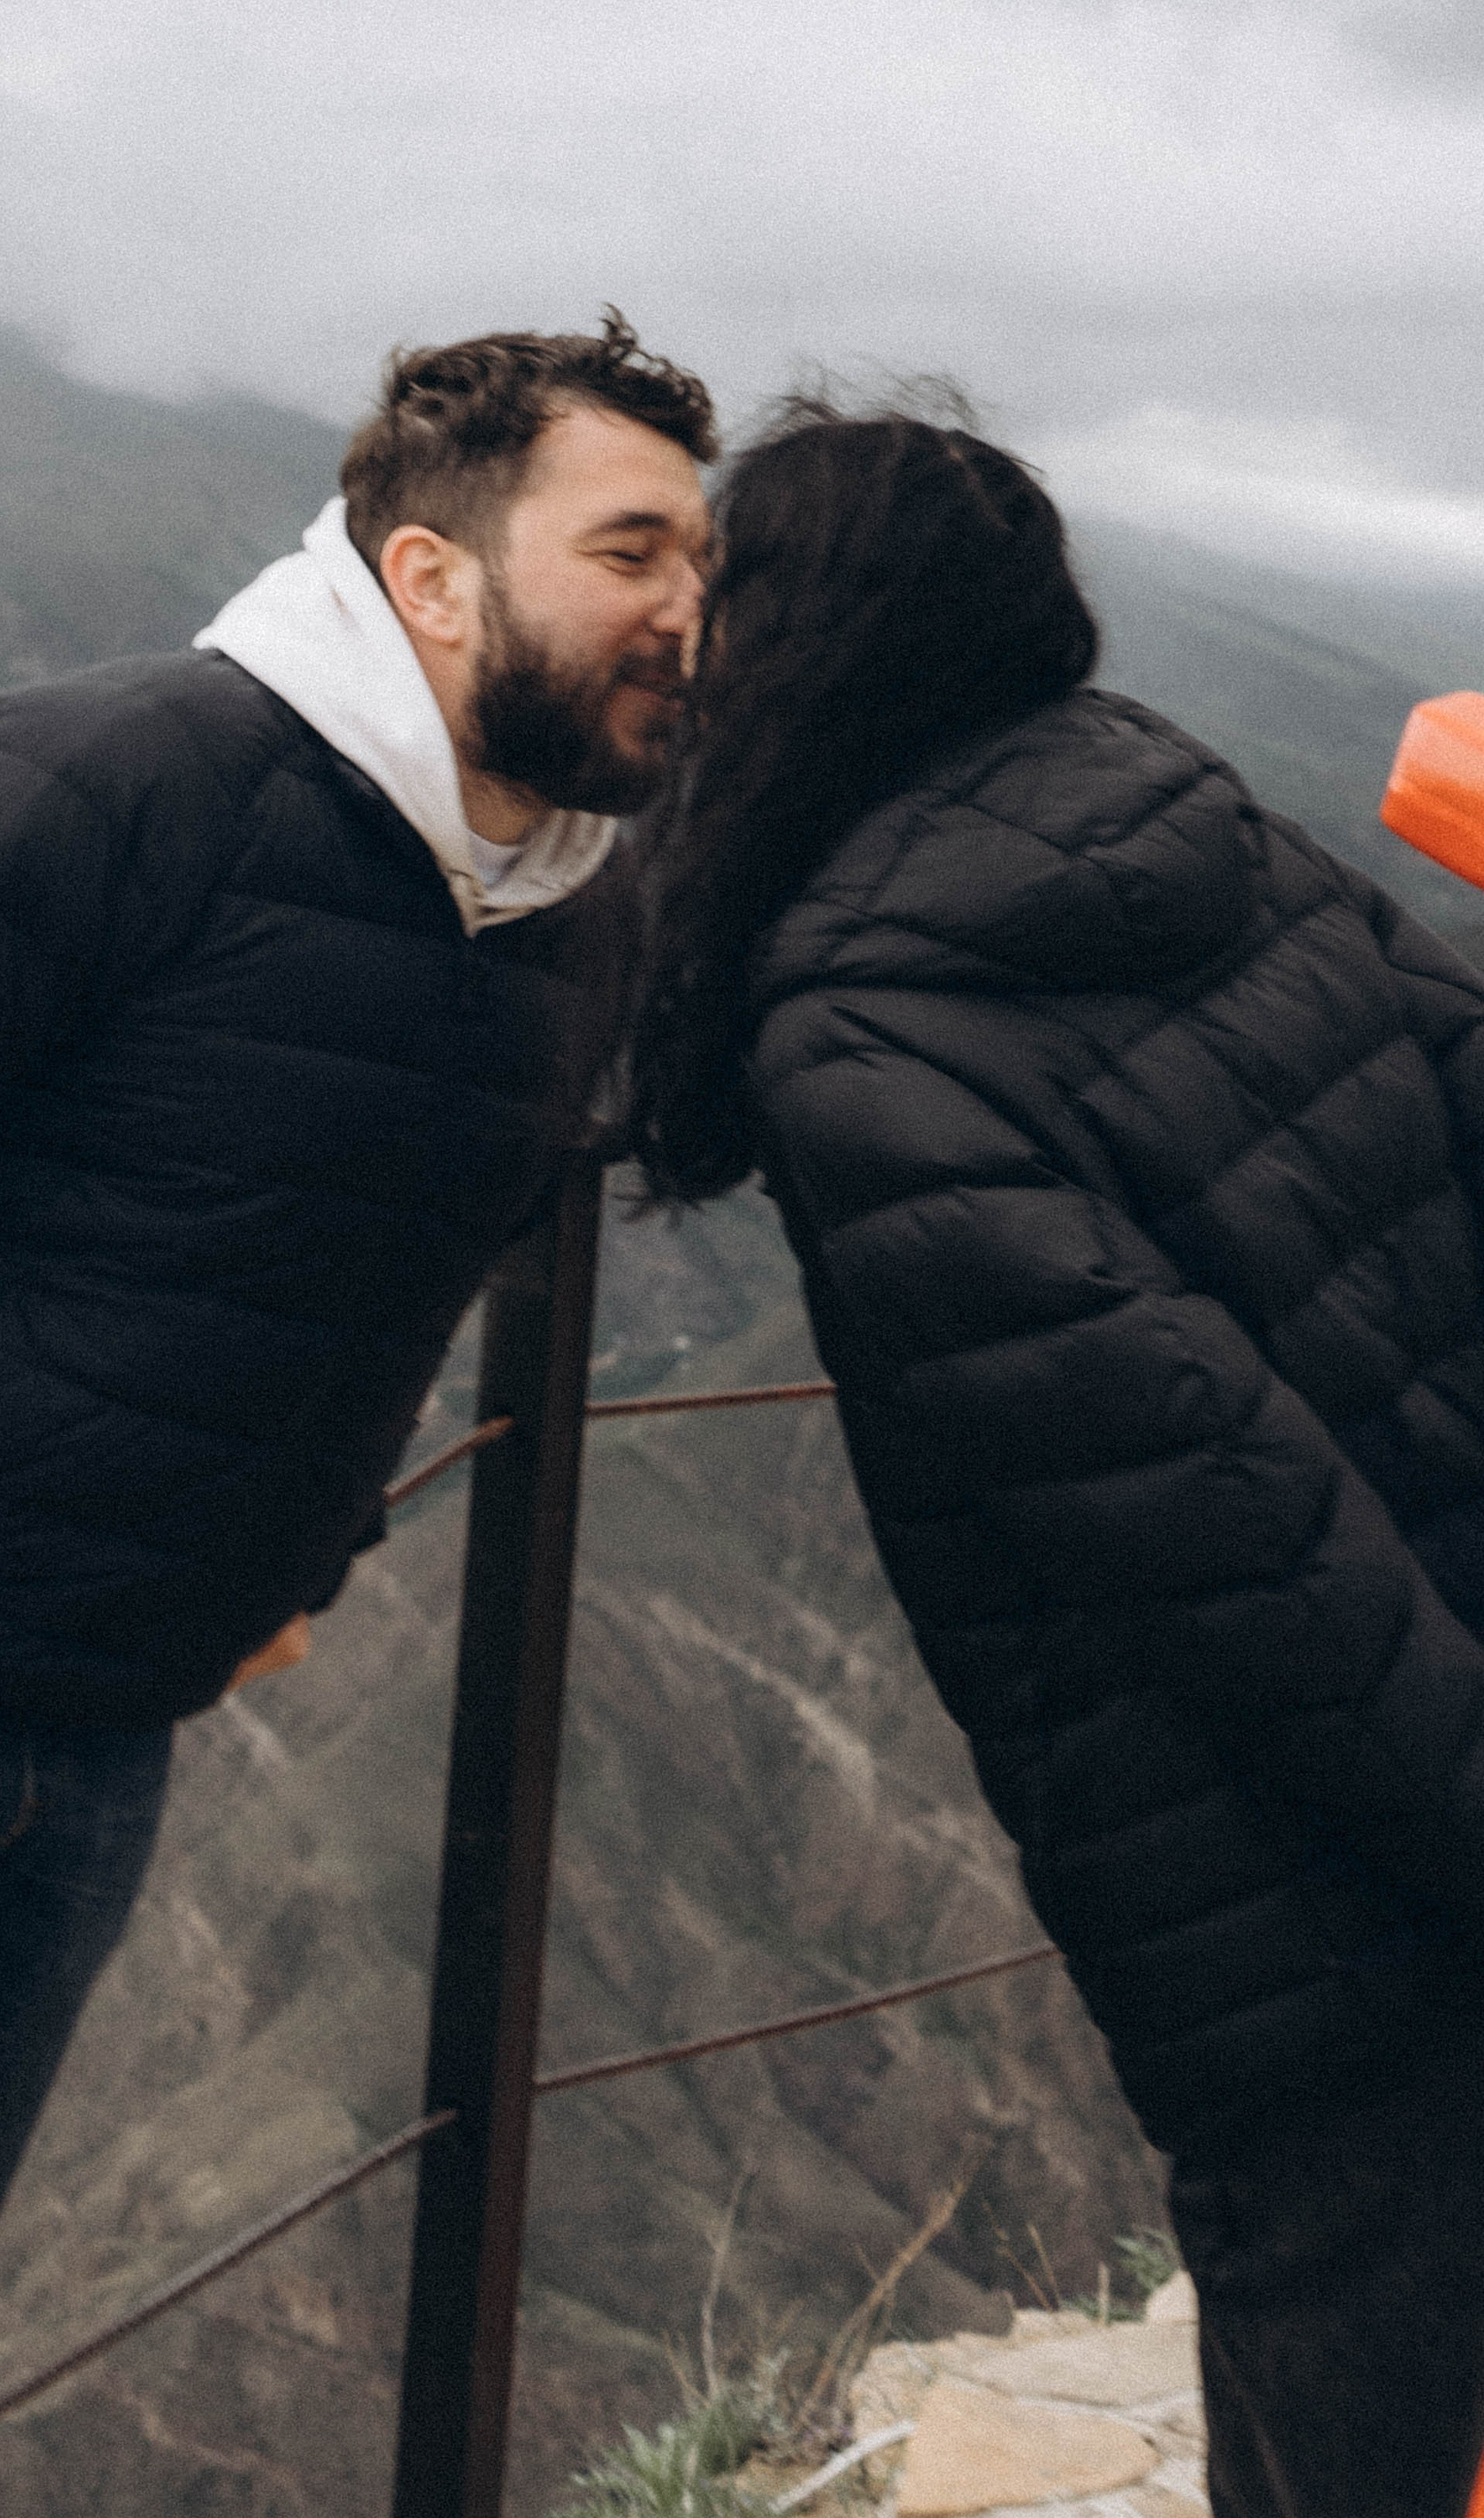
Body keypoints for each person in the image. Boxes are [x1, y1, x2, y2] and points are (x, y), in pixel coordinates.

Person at [0, 315, 715, 2518]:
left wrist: (296, 1557)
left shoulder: (569, 903)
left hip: (113, 1701)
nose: (685, 610)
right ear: (434, 576)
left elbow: (387, 1260)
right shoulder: (117, 775)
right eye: (632, 548)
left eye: (700, 561)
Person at [629, 398, 1484, 2518]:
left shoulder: (857, 1031)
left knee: (1343, 2372)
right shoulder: (1205, 823)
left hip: (1289, 1888)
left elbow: (1221, 1524)